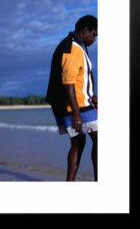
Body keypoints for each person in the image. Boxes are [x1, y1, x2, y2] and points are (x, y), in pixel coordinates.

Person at [46, 15, 98, 181]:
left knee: (78, 144)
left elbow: (80, 76)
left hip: (72, 104)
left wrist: (93, 95)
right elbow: (68, 82)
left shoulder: (77, 45)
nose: (95, 38)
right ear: (85, 30)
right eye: (94, 34)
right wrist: (76, 113)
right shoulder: (72, 47)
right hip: (76, 105)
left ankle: (70, 183)